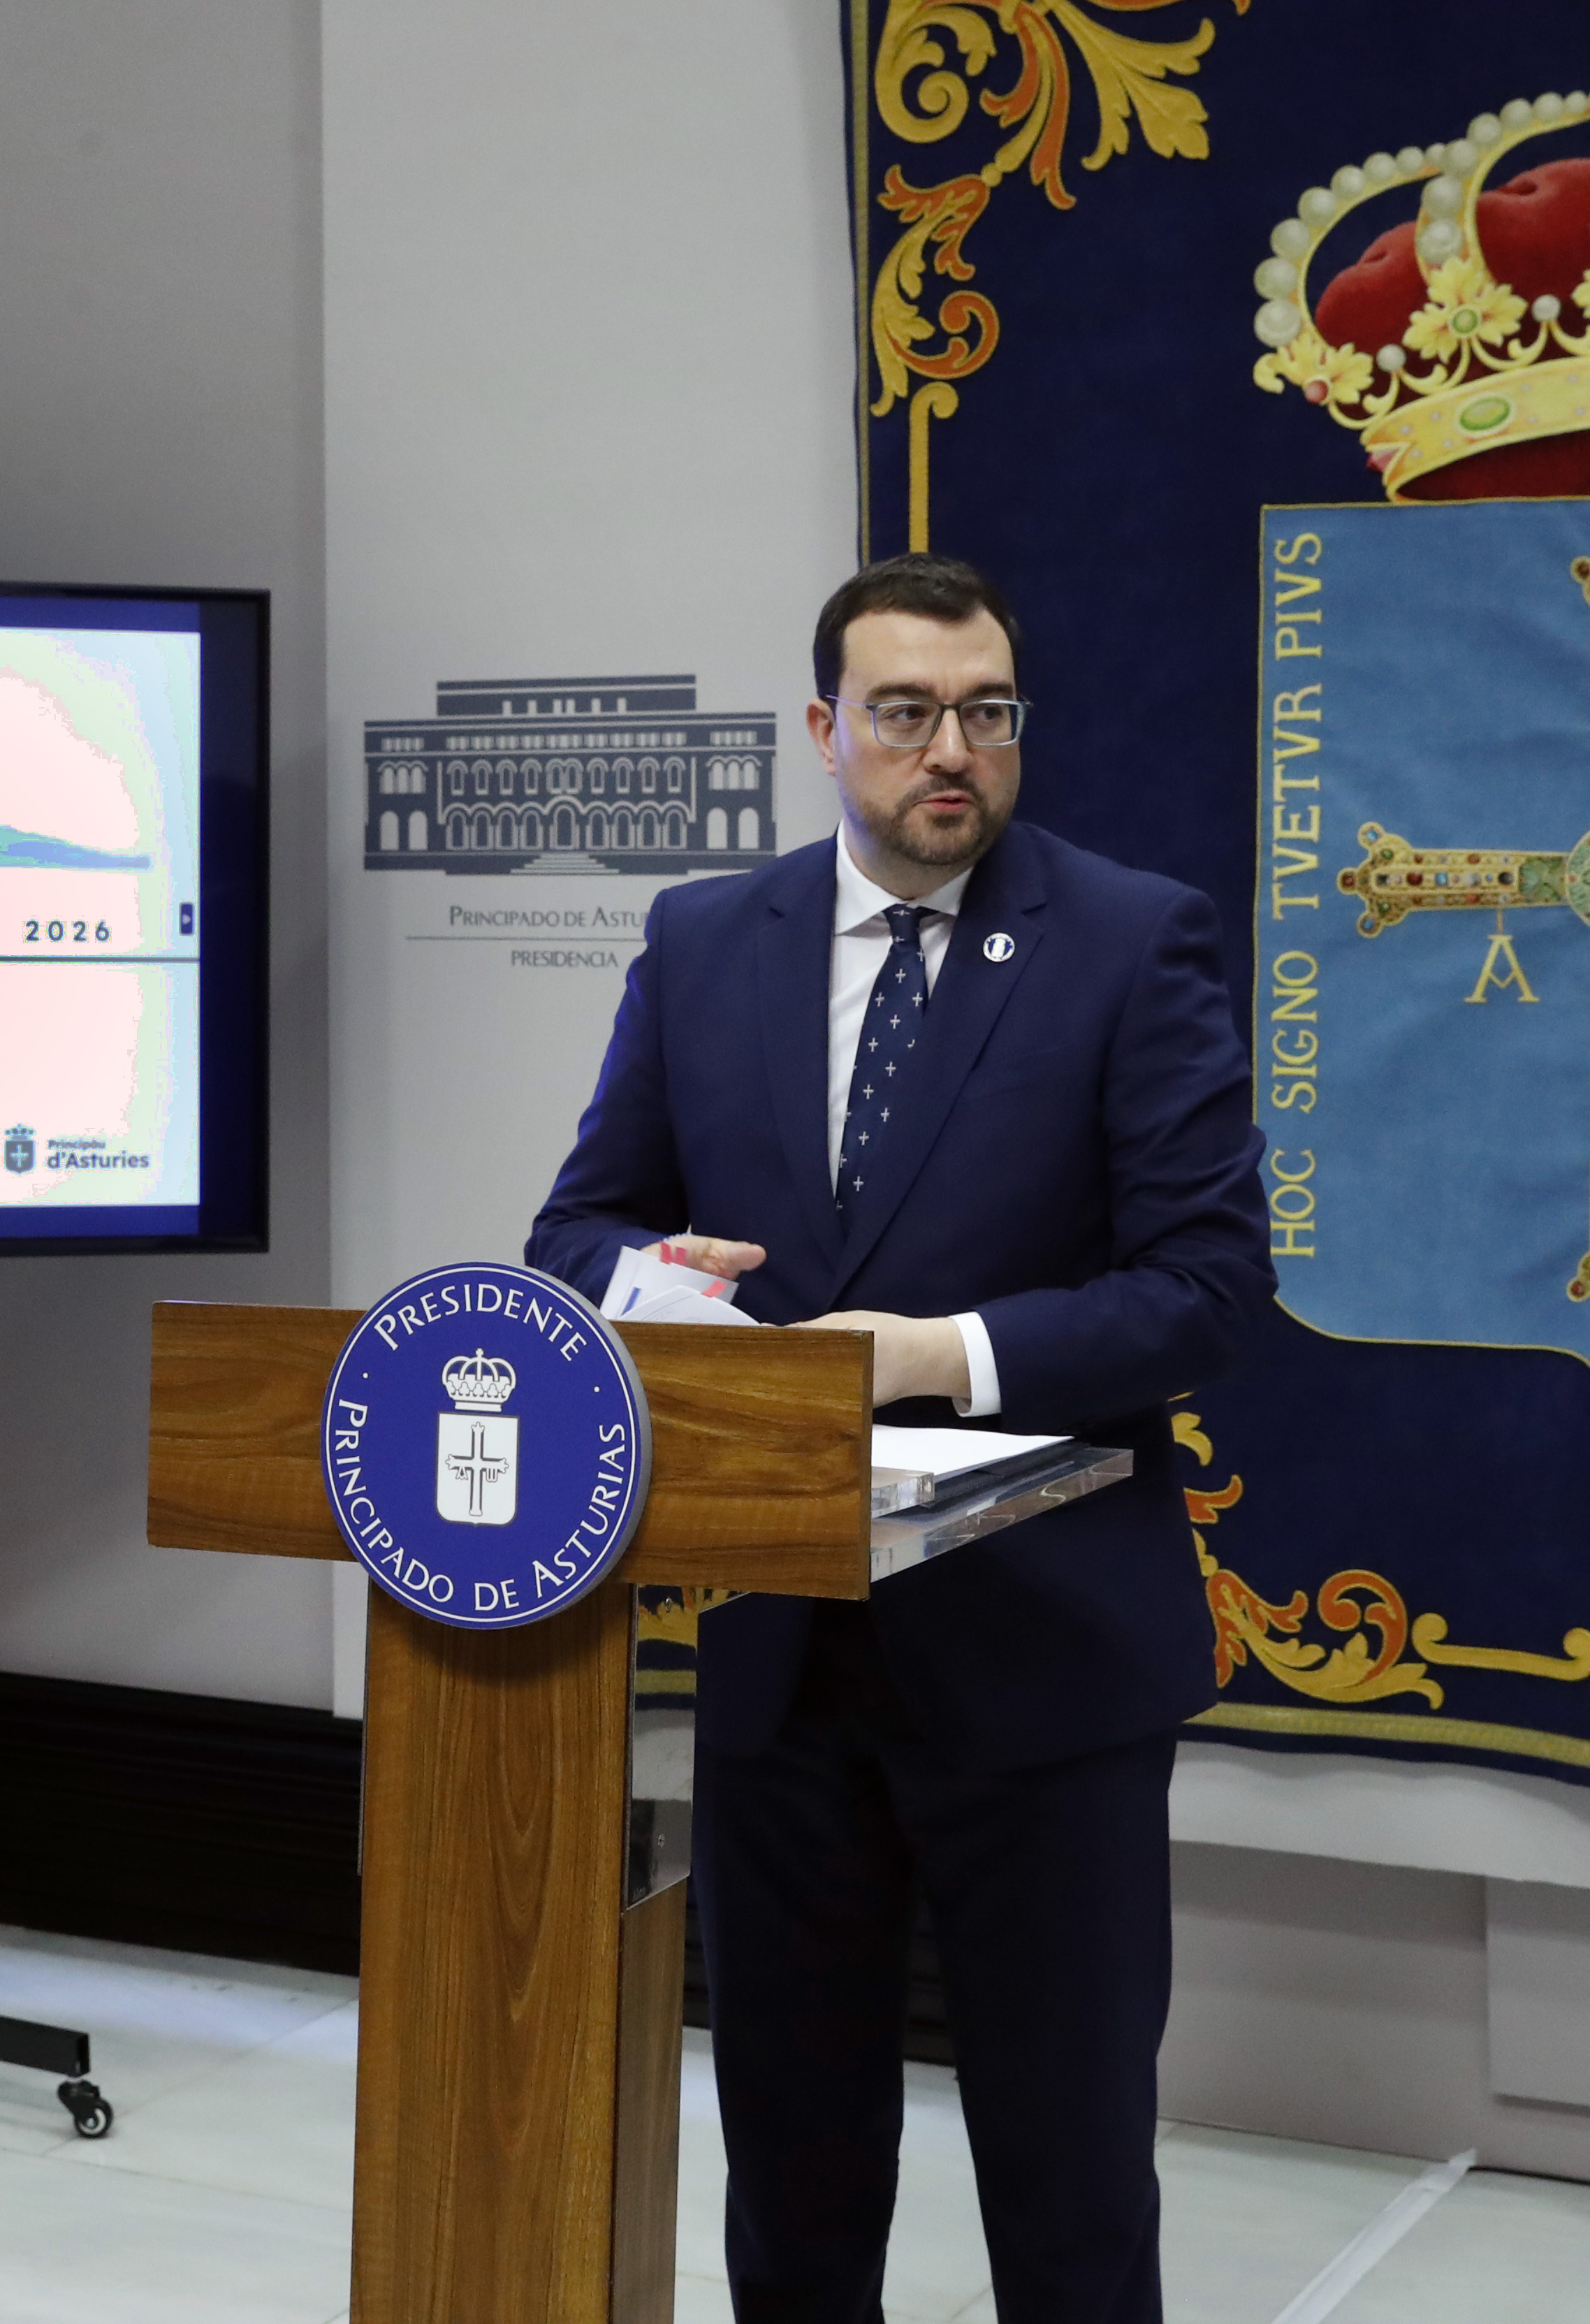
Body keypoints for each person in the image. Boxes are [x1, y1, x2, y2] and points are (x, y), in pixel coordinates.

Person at [526, 551, 1273, 2324]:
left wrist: (936, 1355)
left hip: (1047, 1662)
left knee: (1070, 2182)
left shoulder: (1129, 938)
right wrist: (660, 1288)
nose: (954, 750)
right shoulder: (708, 940)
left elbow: (1208, 1291)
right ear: (823, 729)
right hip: (783, 1657)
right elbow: (575, 1232)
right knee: (793, 2172)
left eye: (988, 713)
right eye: (910, 713)